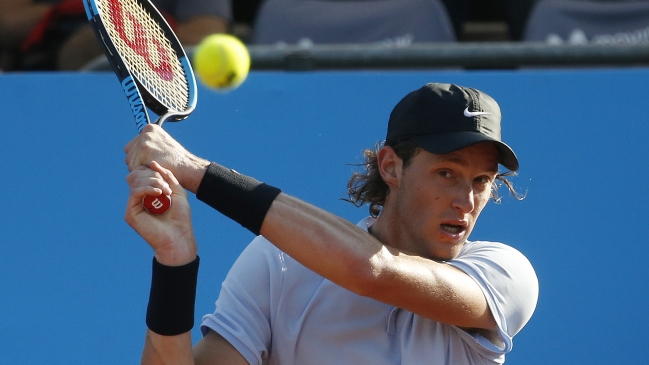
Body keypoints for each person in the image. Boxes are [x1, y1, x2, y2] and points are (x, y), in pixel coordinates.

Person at [124, 83, 539, 364]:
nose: (466, 200)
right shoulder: (279, 263)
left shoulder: (506, 274)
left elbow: (371, 270)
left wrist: (195, 171)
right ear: (391, 167)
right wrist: (174, 263)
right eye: (447, 173)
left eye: (482, 181)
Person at [0, 0, 231, 71]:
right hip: (35, 81)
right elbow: (6, 18)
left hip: (154, 87)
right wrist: (63, 14)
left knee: (91, 43)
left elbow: (203, 39)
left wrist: (124, 31)